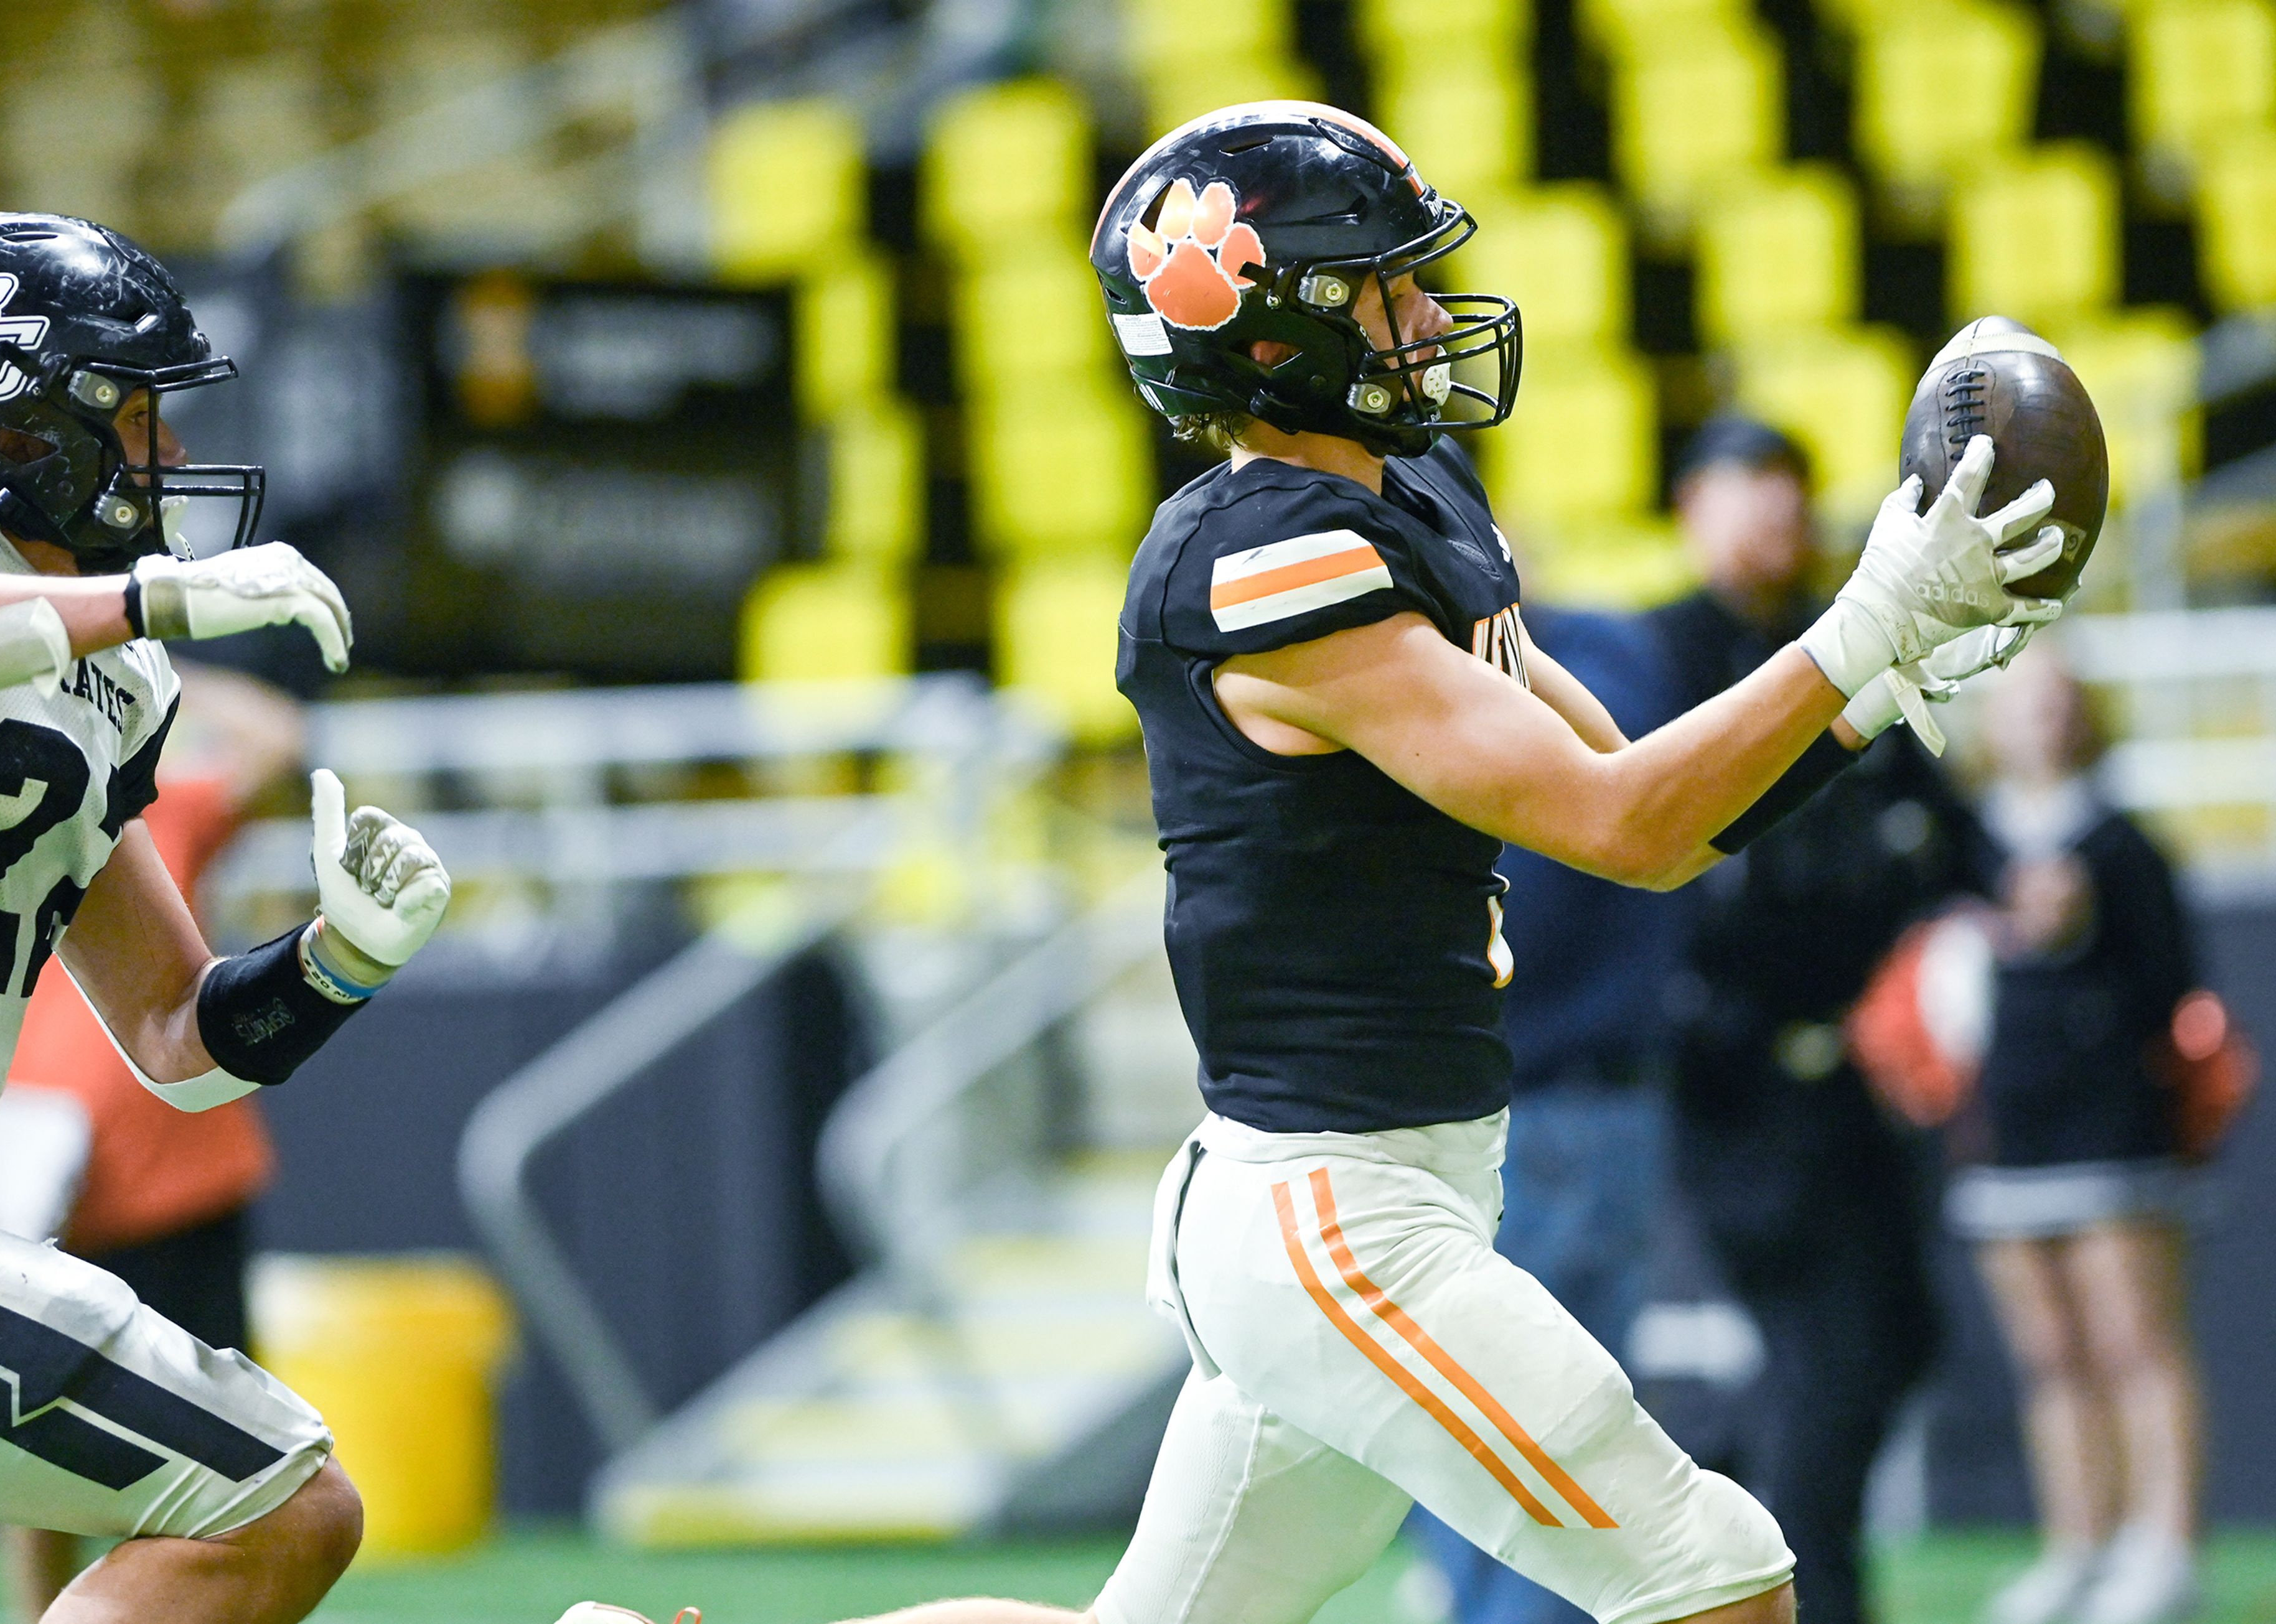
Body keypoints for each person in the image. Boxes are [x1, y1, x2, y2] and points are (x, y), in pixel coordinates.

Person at [564, 102, 2069, 1624]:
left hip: (1378, 1192)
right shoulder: (1262, 559)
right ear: (1273, 330)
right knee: (1715, 1574)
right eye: (1383, 287)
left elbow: (1625, 776)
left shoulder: (1405, 496)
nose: (1425, 316)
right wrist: (1869, 624)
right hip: (1333, 1221)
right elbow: (1625, 827)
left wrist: (1888, 673)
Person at [0, 212, 451, 1624]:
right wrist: (131, 593)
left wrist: (340, 963)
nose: (173, 460)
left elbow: (173, 1036)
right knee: (272, 1497)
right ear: (17, 422)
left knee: (274, 1500)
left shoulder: (118, 682)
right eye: (136, 417)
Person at [1645, 418, 2001, 1624]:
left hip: (1858, 1077)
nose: (1778, 516)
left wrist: (1995, 898)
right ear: (1690, 504)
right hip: (1740, 1076)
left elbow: (1943, 824)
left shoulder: (1848, 635)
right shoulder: (1664, 653)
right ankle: (1811, 1597)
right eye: (1749, 490)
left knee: (1892, 1338)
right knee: (1830, 1357)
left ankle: (1752, 1512)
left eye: (1791, 492)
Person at [0, 662, 307, 1621]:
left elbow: (276, 735)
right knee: (36, 1454)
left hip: (182, 1180)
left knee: (225, 1452)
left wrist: (129, 656)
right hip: (40, 1185)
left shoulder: (138, 819)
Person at [1400, 604, 1688, 1624]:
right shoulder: (1608, 655)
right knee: (1554, 1409)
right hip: (1563, 1102)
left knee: (1524, 1410)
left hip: (1532, 1102)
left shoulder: (1443, 673)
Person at [1949, 646, 2205, 1624]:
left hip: (2109, 1129)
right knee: (2051, 1353)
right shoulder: (1967, 842)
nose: (2042, 721)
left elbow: (2171, 986)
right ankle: (2079, 1541)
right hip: (2006, 1126)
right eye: (2022, 703)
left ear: (2086, 717)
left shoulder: (2123, 844)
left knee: (2135, 1339)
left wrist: (2076, 931)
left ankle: (2164, 1541)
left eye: (2059, 703)